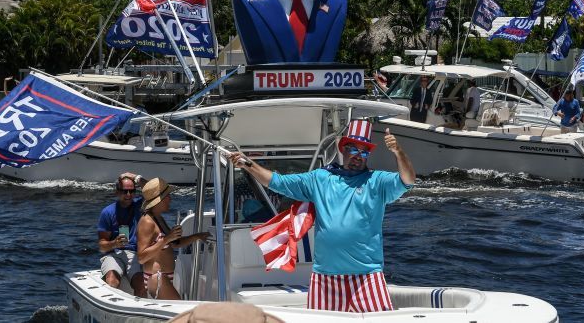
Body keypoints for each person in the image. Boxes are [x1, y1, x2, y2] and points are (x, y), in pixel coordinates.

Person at [229, 120, 416, 313]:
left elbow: (408, 179)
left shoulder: (377, 181)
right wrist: (249, 164)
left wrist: (398, 152)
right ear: (343, 149)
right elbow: (278, 182)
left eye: (364, 151)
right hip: (325, 277)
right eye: (354, 150)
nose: (359, 156)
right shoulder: (320, 178)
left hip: (367, 276)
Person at [135, 177, 210, 300]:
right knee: (180, 312)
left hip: (164, 277)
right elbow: (141, 257)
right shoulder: (147, 222)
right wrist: (166, 239)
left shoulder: (158, 218)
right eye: (167, 196)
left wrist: (198, 236)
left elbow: (174, 244)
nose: (170, 199)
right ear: (159, 200)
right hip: (156, 278)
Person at [97, 173, 147, 296]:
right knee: (112, 281)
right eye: (125, 191)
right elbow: (102, 246)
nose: (129, 195)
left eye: (132, 191)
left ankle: (138, 313)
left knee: (141, 285)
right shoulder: (108, 212)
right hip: (113, 254)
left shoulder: (139, 206)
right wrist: (114, 243)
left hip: (134, 254)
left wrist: (135, 177)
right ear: (117, 192)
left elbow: (155, 190)